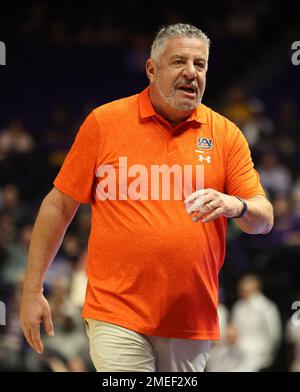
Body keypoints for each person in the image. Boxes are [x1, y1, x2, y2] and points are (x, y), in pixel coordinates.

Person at [20, 23, 273, 372]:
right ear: (151, 69)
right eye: (179, 62)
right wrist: (33, 290)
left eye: (200, 65)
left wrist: (237, 204)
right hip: (116, 312)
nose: (191, 72)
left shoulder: (226, 135)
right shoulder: (104, 124)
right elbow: (58, 205)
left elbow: (263, 219)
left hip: (191, 317)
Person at [231, 274, 282, 371]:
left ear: (256, 288)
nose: (241, 290)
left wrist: (268, 355)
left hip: (258, 352)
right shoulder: (238, 306)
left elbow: (274, 334)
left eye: (245, 287)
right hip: (237, 351)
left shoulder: (266, 307)